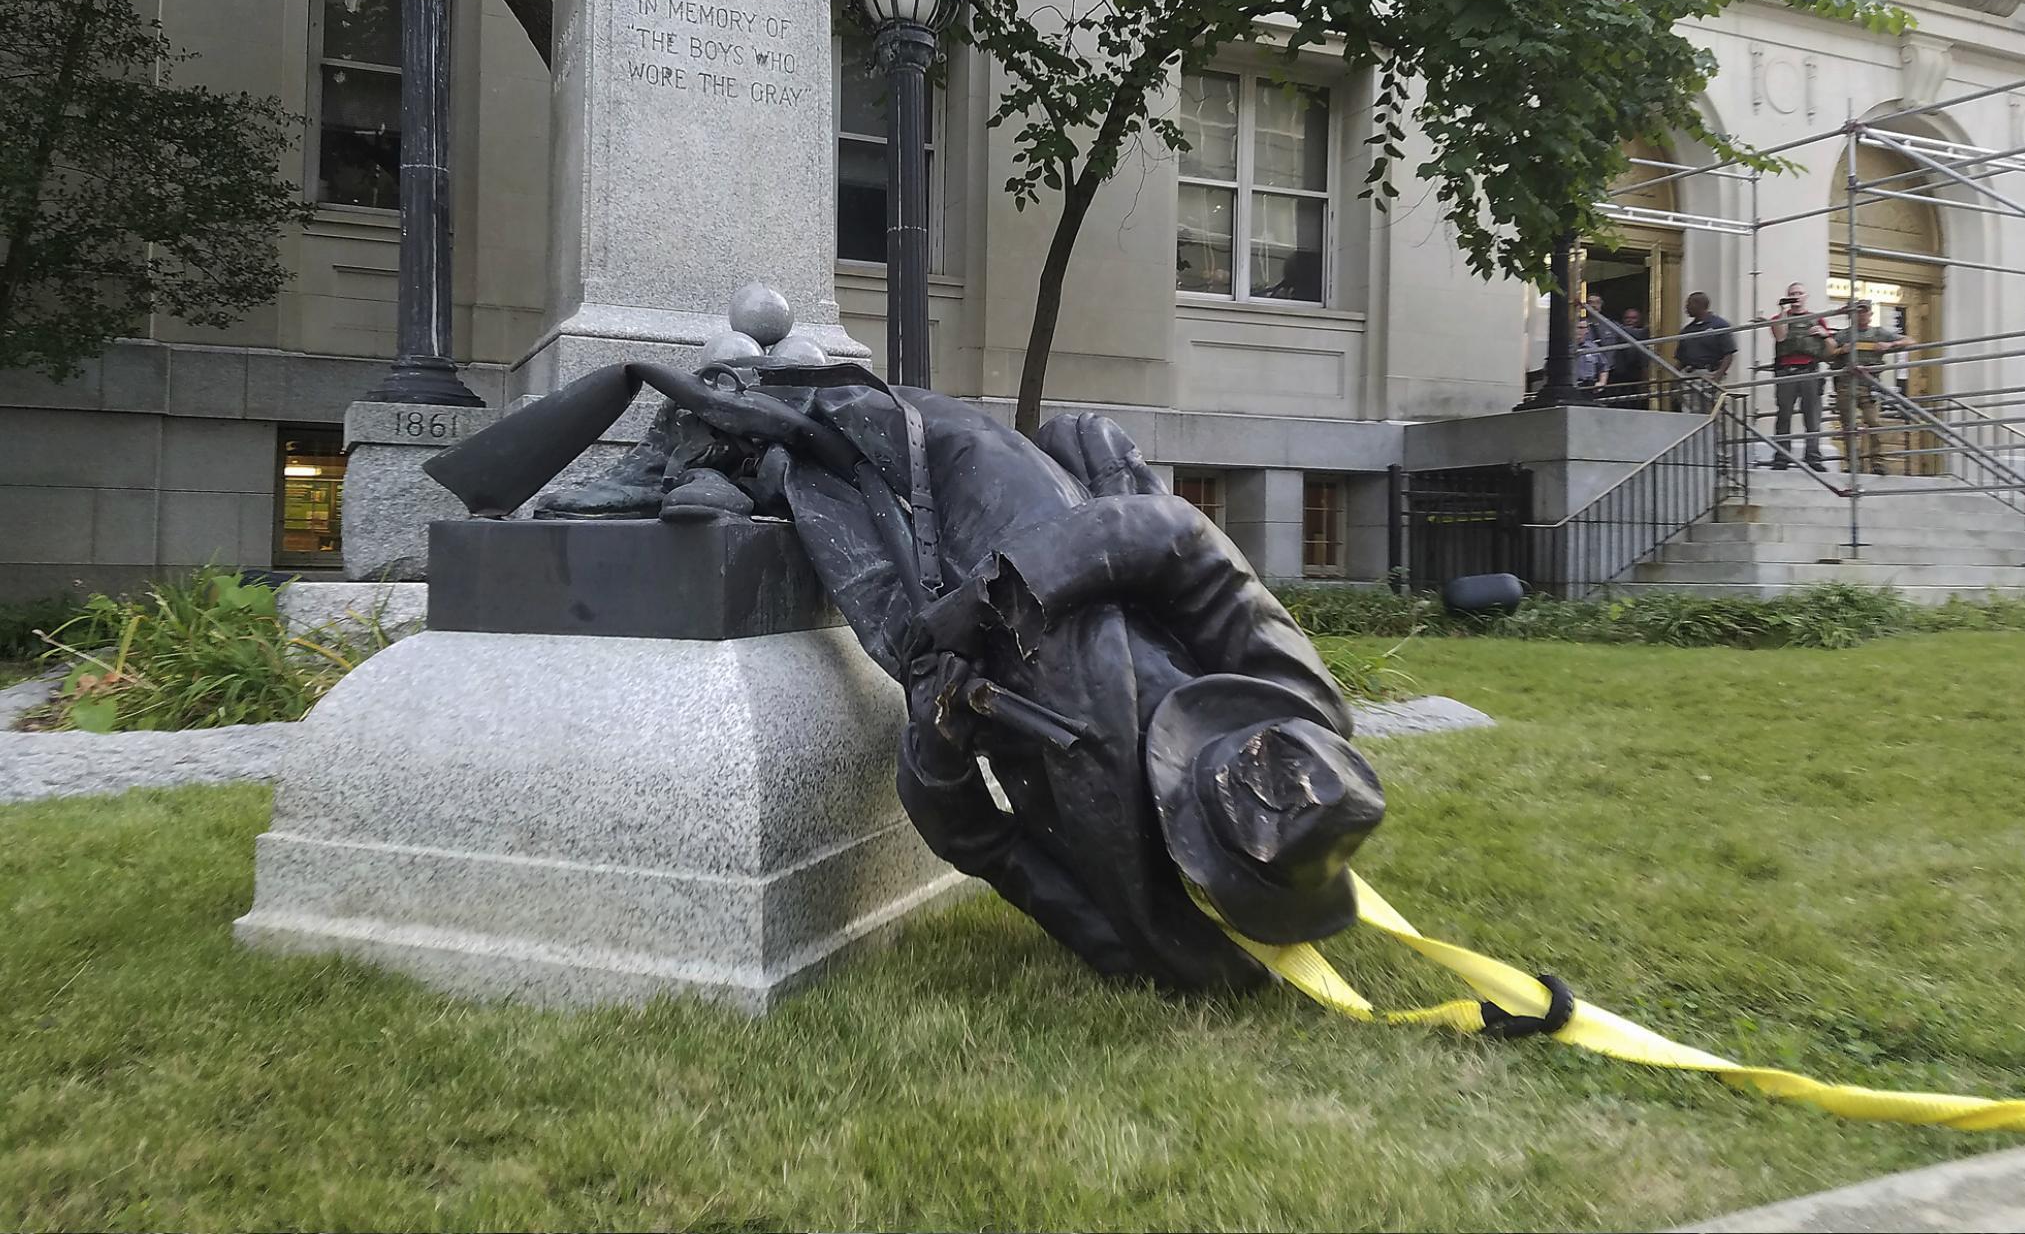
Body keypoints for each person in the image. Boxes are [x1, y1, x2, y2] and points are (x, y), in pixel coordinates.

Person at [422, 354, 1386, 991]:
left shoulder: (1144, 918)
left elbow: (985, 847)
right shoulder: (1295, 705)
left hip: (937, 653)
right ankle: (712, 434)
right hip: (1043, 541)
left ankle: (730, 463)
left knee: (819, 494)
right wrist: (1006, 591)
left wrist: (936, 746)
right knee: (868, 417)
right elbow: (1176, 539)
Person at [1759, 282, 1831, 469]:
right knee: (1784, 415)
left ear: (1806, 296)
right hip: (1786, 371)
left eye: (1799, 293)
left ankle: (1813, 456)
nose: (1796, 296)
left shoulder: (1817, 319)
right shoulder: (1779, 318)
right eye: (1792, 293)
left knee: (1813, 417)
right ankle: (1782, 456)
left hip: (1810, 370)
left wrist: (1824, 334)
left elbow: (1831, 347)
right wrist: (1782, 310)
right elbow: (1781, 336)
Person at [1832, 299, 1907, 474]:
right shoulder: (1843, 335)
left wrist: (1890, 344)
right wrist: (1840, 351)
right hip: (1847, 384)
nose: (1861, 315)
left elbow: (1910, 341)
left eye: (1864, 311)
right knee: (1849, 426)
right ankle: (1853, 463)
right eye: (1858, 311)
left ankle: (1877, 462)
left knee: (1874, 423)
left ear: (1870, 314)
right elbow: (1827, 353)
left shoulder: (1879, 333)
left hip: (1870, 384)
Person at [1673, 291, 1737, 412]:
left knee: (1712, 413)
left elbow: (1728, 354)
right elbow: (1681, 359)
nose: (1686, 308)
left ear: (1699, 304)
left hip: (1710, 374)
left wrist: (1717, 376)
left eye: (1689, 304)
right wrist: (1674, 378)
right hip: (1690, 376)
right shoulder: (1687, 330)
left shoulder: (1719, 325)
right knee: (1690, 414)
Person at [1605, 305, 1652, 408]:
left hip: (1636, 378)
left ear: (1640, 320)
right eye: (1627, 318)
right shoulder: (1616, 333)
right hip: (1617, 378)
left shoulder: (1646, 334)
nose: (1630, 321)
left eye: (1634, 318)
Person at [1571, 319, 1609, 397]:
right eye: (1575, 327)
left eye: (1581, 328)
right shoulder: (1563, 348)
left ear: (1587, 330)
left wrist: (1602, 382)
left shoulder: (1593, 348)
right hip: (1569, 387)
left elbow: (1603, 367)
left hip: (1588, 388)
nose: (1577, 330)